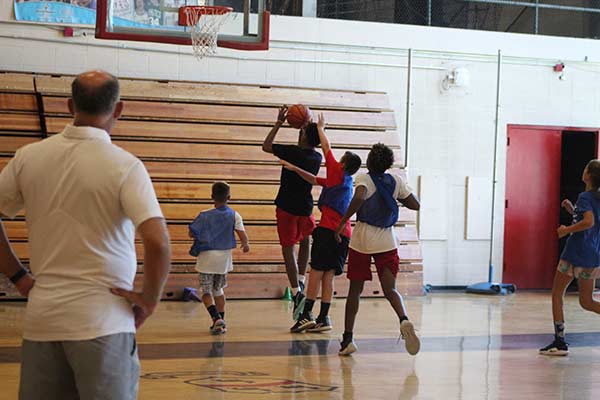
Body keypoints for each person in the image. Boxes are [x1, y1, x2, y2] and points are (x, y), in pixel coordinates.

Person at [0, 70, 171, 400]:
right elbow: (157, 241)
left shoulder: (28, 158)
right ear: (118, 109)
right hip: (104, 322)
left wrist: (19, 276)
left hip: (43, 320)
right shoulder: (125, 166)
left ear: (69, 105)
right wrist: (149, 300)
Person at [334, 143, 421, 356]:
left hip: (363, 240)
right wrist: (398, 194)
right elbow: (415, 205)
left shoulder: (364, 178)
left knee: (355, 291)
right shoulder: (396, 181)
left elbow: (359, 196)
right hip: (387, 240)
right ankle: (404, 319)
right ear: (388, 164)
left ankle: (348, 339)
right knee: (390, 289)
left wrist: (343, 221)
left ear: (370, 161)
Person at [279, 113, 362, 333]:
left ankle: (306, 314)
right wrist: (294, 168)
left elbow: (326, 147)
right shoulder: (344, 181)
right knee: (328, 276)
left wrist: (322, 128)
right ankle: (324, 318)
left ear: (342, 164)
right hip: (344, 235)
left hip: (329, 231)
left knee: (315, 272)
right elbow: (314, 179)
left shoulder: (337, 170)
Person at [262, 105, 322, 320]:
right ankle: (302, 280)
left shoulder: (292, 152)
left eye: (302, 130)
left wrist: (279, 122)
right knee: (306, 242)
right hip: (305, 207)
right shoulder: (316, 158)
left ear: (304, 135)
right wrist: (309, 127)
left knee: (288, 249)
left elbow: (266, 146)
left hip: (286, 207)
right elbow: (311, 141)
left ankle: (296, 292)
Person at [539, 160, 600, 356]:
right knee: (587, 302)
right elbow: (588, 218)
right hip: (591, 255)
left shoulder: (585, 196)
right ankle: (560, 341)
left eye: (584, 168)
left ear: (589, 175)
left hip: (574, 254)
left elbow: (588, 222)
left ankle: (560, 341)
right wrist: (572, 210)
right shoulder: (596, 198)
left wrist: (566, 230)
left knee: (557, 294)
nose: (582, 171)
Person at [189, 181, 250, 334]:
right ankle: (222, 321)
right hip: (224, 259)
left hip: (206, 258)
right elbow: (242, 235)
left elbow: (191, 232)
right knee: (219, 290)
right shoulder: (235, 215)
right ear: (229, 197)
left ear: (212, 197)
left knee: (206, 291)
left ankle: (216, 318)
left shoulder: (204, 215)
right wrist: (245, 244)